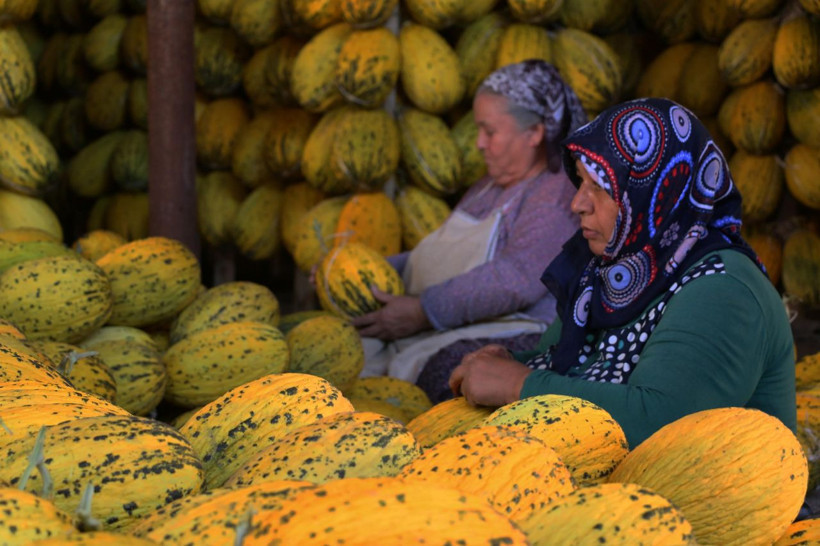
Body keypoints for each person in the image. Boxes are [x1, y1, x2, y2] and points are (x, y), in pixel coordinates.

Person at [449, 97, 797, 449]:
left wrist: (517, 384)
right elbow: (576, 372)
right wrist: (509, 365)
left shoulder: (724, 289)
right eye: (580, 182)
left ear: (658, 192)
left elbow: (662, 424)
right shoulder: (616, 272)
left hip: (703, 497)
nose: (578, 204)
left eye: (599, 188)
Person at [350, 60, 587, 402]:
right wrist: (361, 272)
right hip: (448, 325)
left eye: (489, 132)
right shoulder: (487, 187)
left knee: (448, 378)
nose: (478, 143)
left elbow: (516, 278)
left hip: (517, 332)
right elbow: (429, 255)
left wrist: (422, 311)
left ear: (534, 133)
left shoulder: (557, 193)